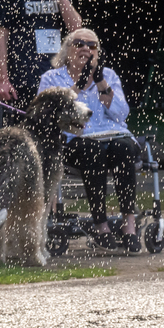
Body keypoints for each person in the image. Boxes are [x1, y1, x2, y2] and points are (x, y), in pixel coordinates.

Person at [38, 28, 139, 248]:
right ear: (67, 49)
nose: (85, 49)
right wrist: (76, 88)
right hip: (76, 140)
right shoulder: (52, 78)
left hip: (111, 135)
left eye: (91, 45)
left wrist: (101, 83)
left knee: (123, 148)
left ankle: (129, 223)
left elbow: (121, 114)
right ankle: (100, 224)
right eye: (79, 44)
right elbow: (46, 116)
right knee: (90, 150)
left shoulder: (109, 76)